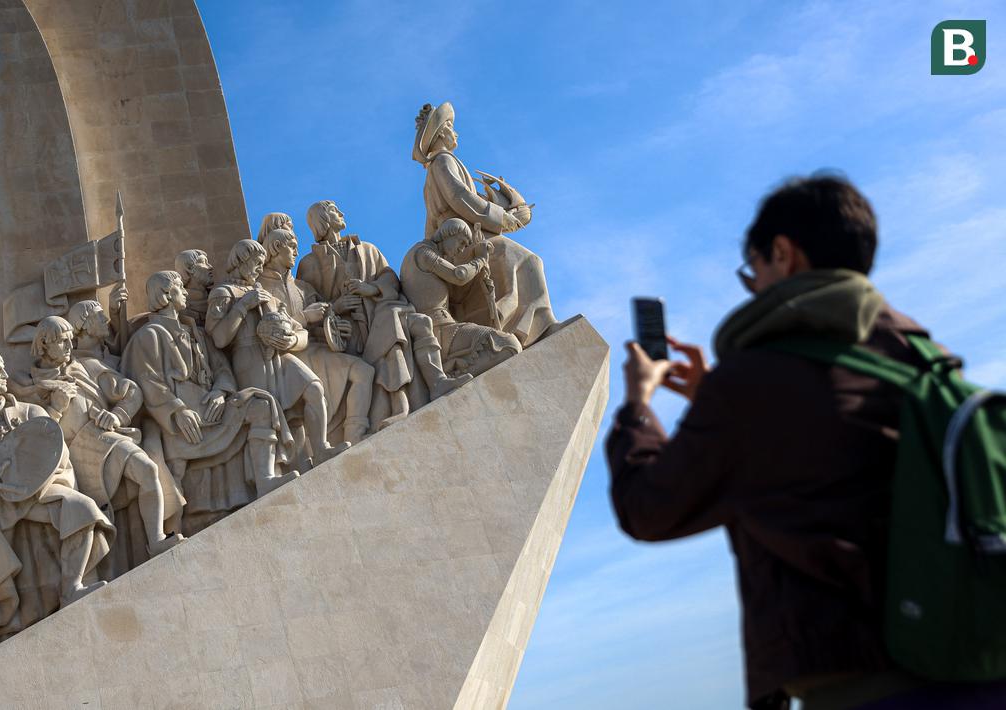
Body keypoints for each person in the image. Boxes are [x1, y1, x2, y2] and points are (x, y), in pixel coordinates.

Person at [607, 175, 1006, 710]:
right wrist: (716, 398)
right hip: (981, 668)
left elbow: (648, 508)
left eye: (753, 271)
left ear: (783, 252)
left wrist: (639, 406)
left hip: (869, 690)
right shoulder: (923, 355)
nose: (752, 286)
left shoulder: (753, 384)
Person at [0, 341, 111, 646]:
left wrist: (42, 482)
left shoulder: (30, 411)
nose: (6, 373)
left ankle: (71, 587)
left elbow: (59, 456)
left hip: (36, 495)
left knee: (82, 509)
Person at [123, 271, 296, 535]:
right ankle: (171, 530)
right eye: (180, 287)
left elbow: (222, 368)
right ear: (167, 295)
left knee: (260, 405)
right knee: (172, 458)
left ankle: (265, 479)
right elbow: (148, 381)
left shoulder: (197, 333)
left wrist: (220, 390)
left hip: (212, 406)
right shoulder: (149, 335)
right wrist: (177, 411)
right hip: (179, 420)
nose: (185, 293)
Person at [297, 200, 471, 428]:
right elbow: (312, 306)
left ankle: (437, 381)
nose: (341, 212)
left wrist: (372, 288)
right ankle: (401, 405)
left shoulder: (367, 249)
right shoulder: (309, 264)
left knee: (419, 322)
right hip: (351, 332)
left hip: (380, 310)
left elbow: (388, 276)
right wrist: (337, 306)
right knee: (393, 325)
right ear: (323, 219)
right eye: (333, 211)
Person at [26, 317, 183, 566]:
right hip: (75, 455)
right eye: (62, 342)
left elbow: (131, 390)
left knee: (148, 469)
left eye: (70, 340)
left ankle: (156, 540)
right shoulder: (30, 386)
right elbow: (36, 439)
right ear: (44, 344)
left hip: (102, 436)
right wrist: (55, 409)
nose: (69, 346)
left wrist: (116, 414)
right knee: (90, 516)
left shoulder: (85, 366)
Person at [412, 101, 560, 347]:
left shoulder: (444, 163)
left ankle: (524, 322)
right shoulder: (442, 162)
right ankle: (538, 326)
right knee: (529, 261)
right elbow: (461, 199)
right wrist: (504, 218)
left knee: (520, 263)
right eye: (450, 126)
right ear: (440, 134)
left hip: (465, 237)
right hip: (460, 241)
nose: (455, 132)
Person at [206, 240, 350, 468]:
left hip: (278, 354)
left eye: (262, 264)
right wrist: (242, 306)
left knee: (314, 388)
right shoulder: (223, 293)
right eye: (256, 263)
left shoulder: (264, 294)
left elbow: (296, 329)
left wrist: (292, 340)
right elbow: (219, 339)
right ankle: (272, 471)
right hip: (248, 357)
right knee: (270, 411)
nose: (259, 269)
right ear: (241, 261)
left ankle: (321, 449)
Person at [257, 226, 375, 444]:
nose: (295, 252)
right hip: (287, 358)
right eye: (292, 247)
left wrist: (335, 326)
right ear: (275, 247)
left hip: (314, 349)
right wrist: (304, 316)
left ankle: (354, 435)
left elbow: (319, 324)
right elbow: (271, 330)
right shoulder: (260, 287)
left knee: (363, 371)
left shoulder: (303, 287)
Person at [400, 218, 521, 378]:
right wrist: (481, 259)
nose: (462, 249)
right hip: (439, 330)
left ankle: (453, 369)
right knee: (508, 344)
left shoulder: (425, 253)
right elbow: (458, 275)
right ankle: (454, 375)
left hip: (444, 327)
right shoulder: (424, 252)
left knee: (507, 345)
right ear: (449, 233)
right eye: (462, 242)